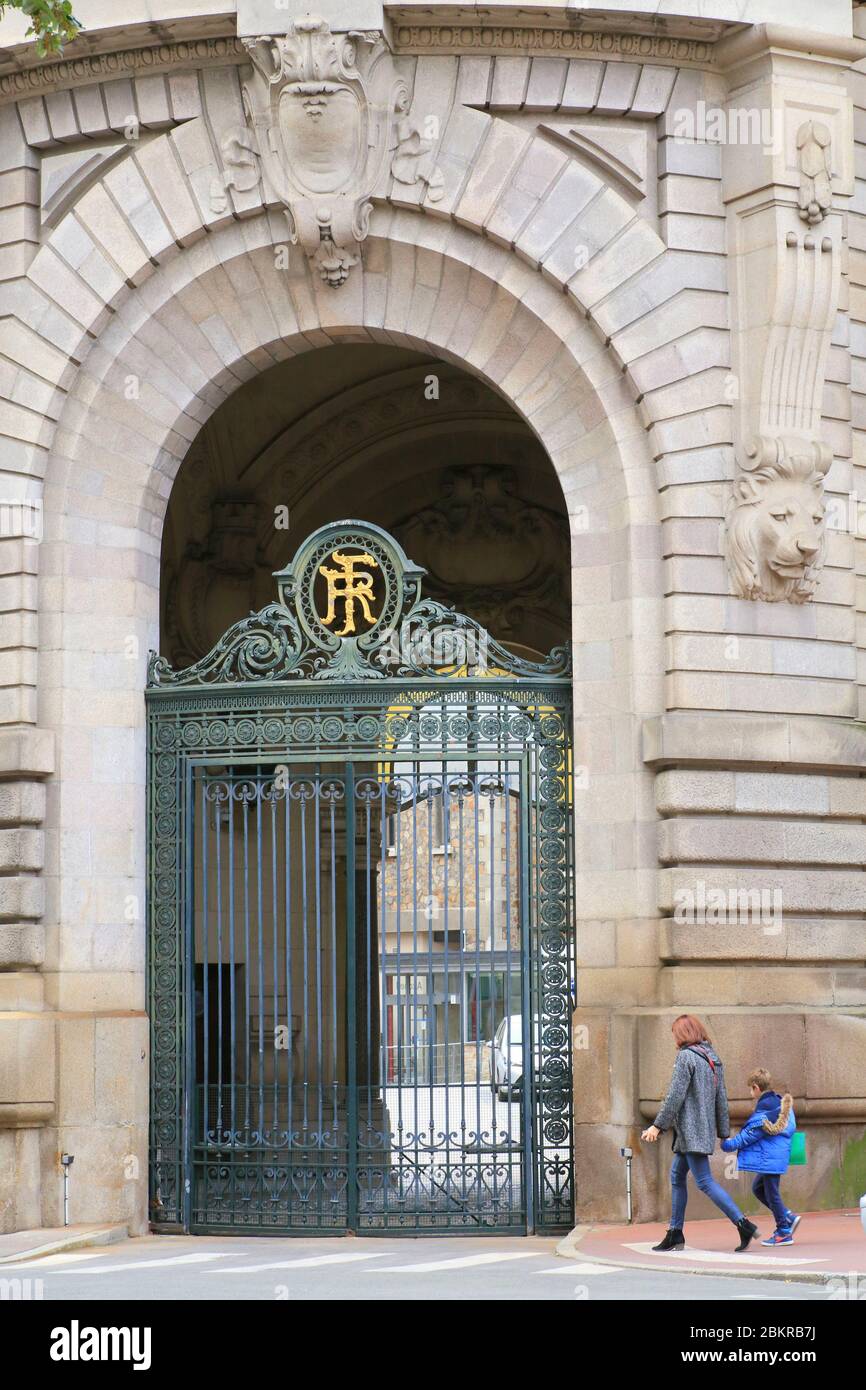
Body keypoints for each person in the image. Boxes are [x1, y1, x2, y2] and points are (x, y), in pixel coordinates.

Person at [641, 1013, 759, 1253]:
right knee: (677, 1176)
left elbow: (675, 1096)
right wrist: (723, 1132)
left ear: (683, 1034)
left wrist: (657, 1126)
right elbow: (721, 1100)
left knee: (705, 1182)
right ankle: (675, 1233)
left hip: (690, 1133)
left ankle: (743, 1223)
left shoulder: (686, 1057)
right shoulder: (713, 1059)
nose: (674, 1038)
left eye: (676, 1033)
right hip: (697, 1133)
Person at [721, 1068, 800, 1246]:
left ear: (756, 1087)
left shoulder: (764, 1110)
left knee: (772, 1193)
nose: (751, 1093)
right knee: (758, 1188)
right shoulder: (779, 1103)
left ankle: (784, 1231)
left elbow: (748, 1135)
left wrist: (727, 1144)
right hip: (775, 1156)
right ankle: (787, 1216)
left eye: (751, 1089)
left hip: (770, 1158)